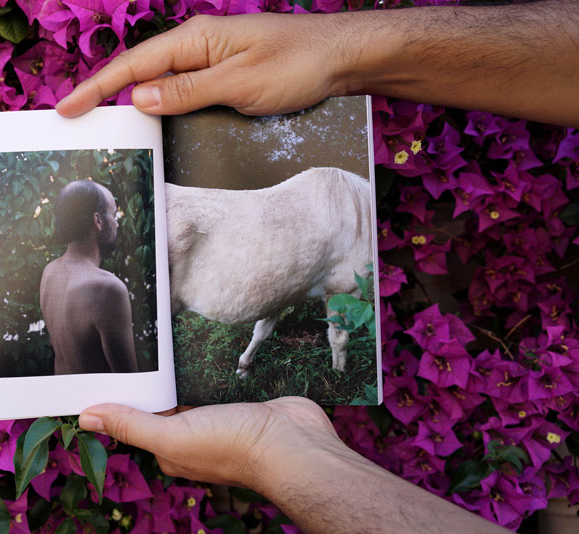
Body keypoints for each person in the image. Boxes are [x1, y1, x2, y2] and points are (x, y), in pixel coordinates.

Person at [56, 2, 578, 532]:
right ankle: (327, 363)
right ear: (98, 223)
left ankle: (254, 355)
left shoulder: (61, 279)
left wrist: (342, 49)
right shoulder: (103, 288)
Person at [40, 180, 139, 375]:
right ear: (98, 220)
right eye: (113, 213)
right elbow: (128, 378)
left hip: (66, 399)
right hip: (102, 404)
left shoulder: (49, 272)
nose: (116, 222)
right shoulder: (106, 288)